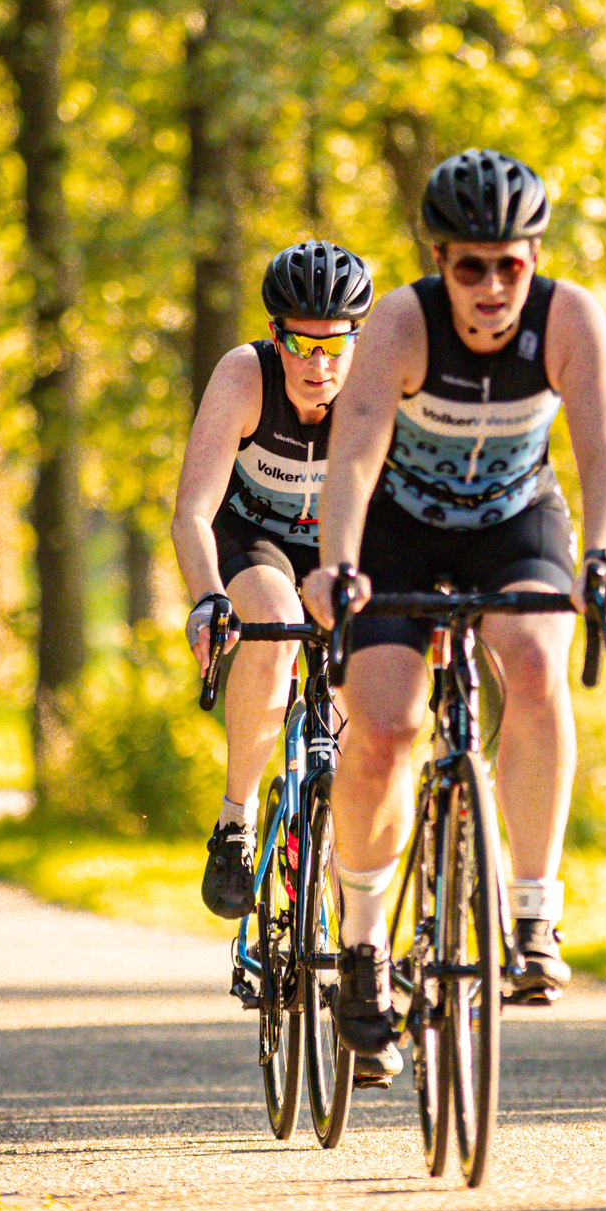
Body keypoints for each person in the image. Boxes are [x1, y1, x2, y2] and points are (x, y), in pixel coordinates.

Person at [300, 148, 606, 1056]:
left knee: (533, 655)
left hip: (514, 519)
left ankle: (532, 914)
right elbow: (356, 455)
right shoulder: (401, 325)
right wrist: (335, 565)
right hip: (398, 527)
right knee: (387, 724)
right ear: (439, 261)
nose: (491, 287)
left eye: (510, 265)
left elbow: (602, 452)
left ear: (533, 258)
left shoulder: (570, 321)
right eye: (470, 267)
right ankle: (366, 942)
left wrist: (603, 558)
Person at [170, 239, 375, 918]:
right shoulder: (244, 377)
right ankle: (236, 821)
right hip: (254, 543)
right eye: (302, 346)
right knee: (273, 616)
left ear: (359, 337)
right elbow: (193, 512)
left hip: (342, 548)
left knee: (361, 712)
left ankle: (356, 939)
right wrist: (207, 599)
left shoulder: (380, 385)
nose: (320, 366)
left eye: (336, 346)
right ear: (274, 336)